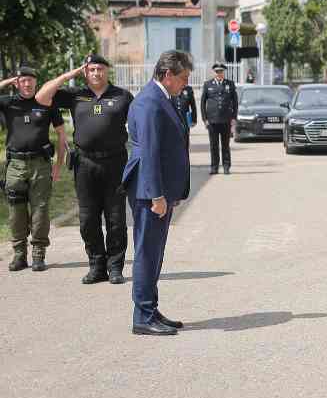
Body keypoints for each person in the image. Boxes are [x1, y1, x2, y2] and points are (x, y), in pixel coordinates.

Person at [36, 55, 134, 285]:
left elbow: (139, 123)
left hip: (115, 163)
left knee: (116, 218)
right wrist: (68, 76)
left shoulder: (122, 96)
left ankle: (115, 267)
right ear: (85, 72)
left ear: (107, 71)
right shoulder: (75, 95)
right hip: (85, 164)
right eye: (91, 69)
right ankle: (96, 266)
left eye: (100, 68)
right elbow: (41, 96)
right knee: (88, 219)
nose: (96, 73)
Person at [122, 50, 193, 336]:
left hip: (159, 188)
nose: (185, 83)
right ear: (167, 75)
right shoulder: (150, 102)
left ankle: (150, 309)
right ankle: (142, 315)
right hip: (148, 190)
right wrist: (156, 196)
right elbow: (149, 152)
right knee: (147, 252)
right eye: (183, 78)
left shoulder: (163, 98)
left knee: (155, 252)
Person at [0, 66, 66, 272]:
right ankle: (19, 255)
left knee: (40, 210)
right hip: (16, 166)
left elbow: (62, 136)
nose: (27, 84)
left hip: (41, 165)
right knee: (16, 211)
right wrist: (8, 81)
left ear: (36, 82)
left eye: (30, 80)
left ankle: (38, 254)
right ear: (17, 83)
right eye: (22, 80)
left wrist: (58, 165)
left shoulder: (46, 103)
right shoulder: (8, 102)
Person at [200, 63, 238, 175]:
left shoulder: (230, 84)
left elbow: (235, 102)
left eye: (221, 71)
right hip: (212, 120)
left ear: (223, 72)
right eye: (217, 71)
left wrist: (234, 118)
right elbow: (203, 103)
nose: (219, 73)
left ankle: (226, 166)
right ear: (214, 72)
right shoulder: (208, 84)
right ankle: (214, 167)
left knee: (225, 145)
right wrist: (205, 119)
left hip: (226, 119)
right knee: (213, 145)